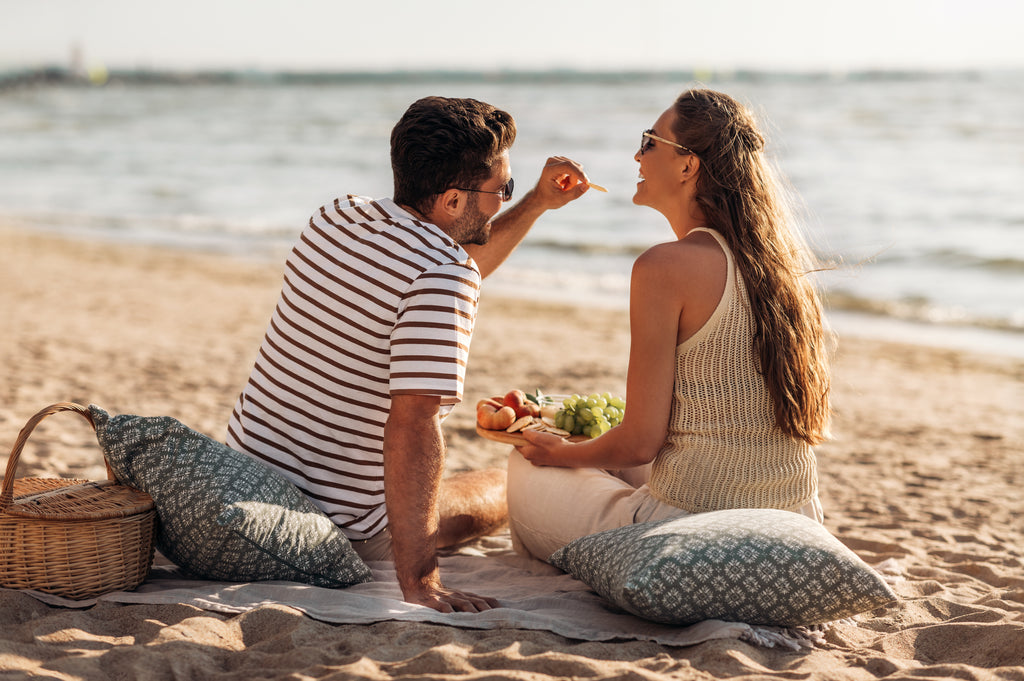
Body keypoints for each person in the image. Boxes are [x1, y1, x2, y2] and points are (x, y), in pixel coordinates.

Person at [226, 96, 592, 612]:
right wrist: (422, 581)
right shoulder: (445, 275)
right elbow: (414, 425)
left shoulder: (335, 216)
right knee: (508, 485)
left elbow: (438, 260)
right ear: (449, 201)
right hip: (341, 523)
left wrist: (534, 201)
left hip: (246, 477)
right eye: (501, 190)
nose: (503, 199)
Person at [508, 88, 833, 562]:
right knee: (606, 462)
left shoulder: (664, 267)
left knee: (524, 466)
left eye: (649, 141)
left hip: (685, 533)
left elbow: (640, 443)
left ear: (688, 166)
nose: (636, 155)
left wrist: (555, 454)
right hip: (796, 523)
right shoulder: (783, 269)